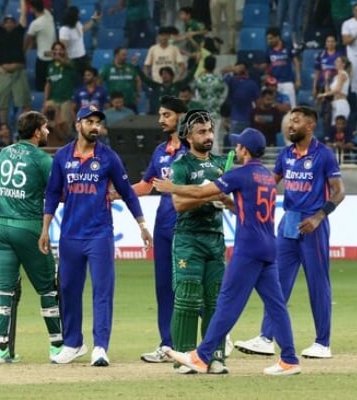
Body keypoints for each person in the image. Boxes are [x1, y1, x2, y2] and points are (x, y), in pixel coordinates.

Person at [156, 128, 302, 376]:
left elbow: (201, 192)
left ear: (245, 150)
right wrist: (227, 202)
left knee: (226, 302)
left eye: (238, 146)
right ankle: (289, 359)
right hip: (268, 246)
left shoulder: (241, 174)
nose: (235, 149)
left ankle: (202, 356)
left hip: (249, 249)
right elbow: (246, 210)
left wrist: (173, 187)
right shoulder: (266, 176)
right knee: (277, 305)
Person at [39, 106, 153, 367]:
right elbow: (53, 194)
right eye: (89, 121)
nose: (94, 127)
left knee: (102, 292)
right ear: (78, 124)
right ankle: (73, 343)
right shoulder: (62, 157)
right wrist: (45, 229)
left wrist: (142, 225)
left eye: (98, 123)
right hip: (70, 235)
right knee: (68, 291)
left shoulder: (109, 157)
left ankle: (100, 347)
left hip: (100, 234)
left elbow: (127, 191)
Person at [234, 106, 346, 359]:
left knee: (318, 284)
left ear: (309, 126)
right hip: (288, 224)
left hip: (313, 225)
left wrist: (319, 217)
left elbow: (339, 192)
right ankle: (265, 338)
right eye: (289, 121)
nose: (289, 125)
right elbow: (268, 185)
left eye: (295, 121)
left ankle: (322, 343)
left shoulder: (324, 155)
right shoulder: (285, 154)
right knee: (276, 283)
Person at [0, 111, 63, 363]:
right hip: (28, 228)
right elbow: (58, 193)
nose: (48, 132)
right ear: (36, 132)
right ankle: (57, 347)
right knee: (48, 288)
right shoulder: (42, 159)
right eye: (45, 128)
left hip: (1, 227)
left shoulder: (3, 153)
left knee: (4, 287)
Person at [167, 108, 232, 374]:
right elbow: (179, 204)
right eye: (201, 132)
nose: (208, 136)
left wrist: (226, 200)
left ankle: (213, 356)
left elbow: (233, 203)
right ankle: (182, 357)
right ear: (188, 136)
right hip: (188, 239)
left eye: (209, 131)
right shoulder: (181, 166)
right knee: (187, 297)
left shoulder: (220, 163)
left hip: (215, 238)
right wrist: (209, 195)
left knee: (215, 299)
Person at [123, 96, 188, 363]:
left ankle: (213, 338)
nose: (161, 120)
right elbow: (147, 184)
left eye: (167, 115)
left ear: (181, 117)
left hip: (187, 228)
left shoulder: (195, 149)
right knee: (163, 288)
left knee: (189, 286)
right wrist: (117, 193)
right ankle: (167, 344)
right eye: (160, 115)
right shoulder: (160, 150)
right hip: (163, 227)